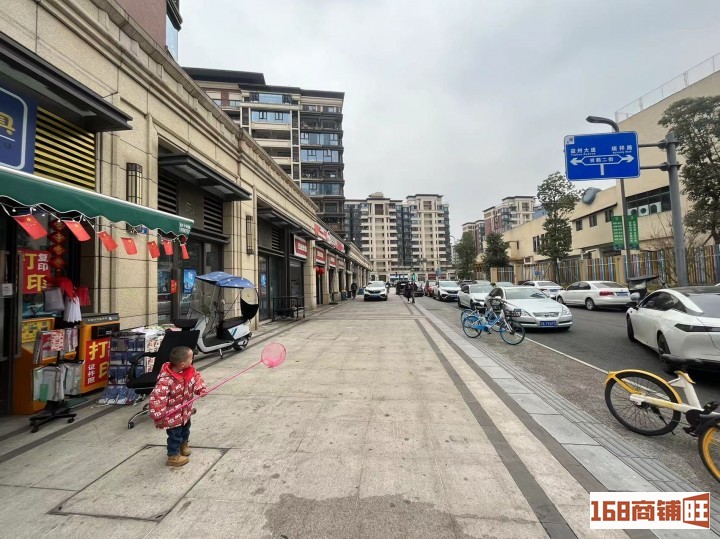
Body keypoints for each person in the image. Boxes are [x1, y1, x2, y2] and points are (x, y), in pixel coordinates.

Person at [149, 346, 208, 467]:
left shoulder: (189, 371)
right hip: (173, 416)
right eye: (191, 358)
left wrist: (201, 389)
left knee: (186, 430)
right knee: (175, 435)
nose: (192, 360)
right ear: (182, 364)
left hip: (185, 412)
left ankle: (183, 445)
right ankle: (173, 456)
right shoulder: (166, 380)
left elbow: (197, 379)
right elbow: (158, 399)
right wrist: (159, 417)